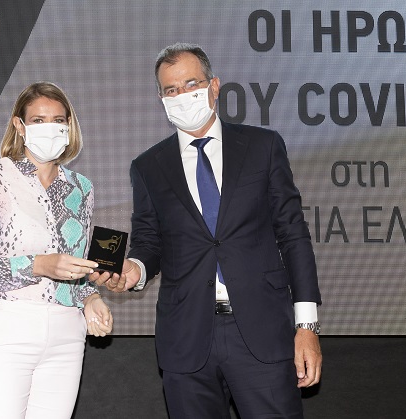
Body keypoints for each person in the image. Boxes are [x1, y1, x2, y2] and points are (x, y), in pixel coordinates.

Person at [92, 43, 322, 418]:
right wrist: (135, 270)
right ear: (161, 99)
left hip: (262, 331)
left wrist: (307, 325)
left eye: (191, 84)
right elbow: (149, 242)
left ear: (214, 86)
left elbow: (293, 235)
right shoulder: (148, 166)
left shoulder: (263, 146)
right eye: (171, 90)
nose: (181, 95)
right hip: (186, 338)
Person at [0, 81, 112, 419]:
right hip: (6, 326)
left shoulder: (81, 188)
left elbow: (78, 267)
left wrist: (90, 298)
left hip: (67, 334)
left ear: (69, 126)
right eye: (38, 120)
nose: (50, 128)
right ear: (19, 125)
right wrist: (37, 265)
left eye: (58, 120)